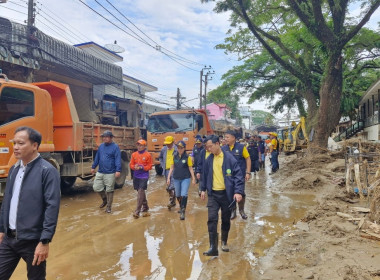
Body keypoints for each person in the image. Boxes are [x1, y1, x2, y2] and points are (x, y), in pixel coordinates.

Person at [0, 126, 61, 279]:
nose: (15, 147)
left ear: (34, 146)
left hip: (33, 242)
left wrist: (45, 241)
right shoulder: (14, 169)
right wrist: (2, 229)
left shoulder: (47, 171)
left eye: (21, 143)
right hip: (9, 240)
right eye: (14, 143)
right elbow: (7, 201)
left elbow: (52, 207)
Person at [200, 135, 244, 256]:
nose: (209, 149)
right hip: (213, 194)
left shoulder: (229, 158)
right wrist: (202, 189)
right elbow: (205, 175)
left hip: (226, 195)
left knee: (225, 219)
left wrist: (238, 191)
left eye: (210, 146)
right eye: (207, 147)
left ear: (217, 144)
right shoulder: (209, 159)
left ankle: (224, 242)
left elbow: (238, 176)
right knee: (212, 219)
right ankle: (213, 247)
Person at [222, 130, 251, 220]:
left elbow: (247, 159)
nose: (225, 139)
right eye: (225, 137)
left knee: (241, 192)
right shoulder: (223, 149)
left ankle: (241, 211)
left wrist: (248, 172)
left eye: (227, 137)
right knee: (229, 193)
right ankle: (233, 210)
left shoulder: (241, 147)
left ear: (233, 138)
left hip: (240, 175)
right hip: (228, 176)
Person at [91, 130, 121, 213]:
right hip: (100, 171)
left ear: (111, 138)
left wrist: (118, 170)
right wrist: (93, 167)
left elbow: (117, 159)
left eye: (106, 137)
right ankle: (104, 200)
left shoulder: (115, 147)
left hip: (110, 172)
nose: (105, 138)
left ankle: (108, 207)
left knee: (109, 190)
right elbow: (97, 157)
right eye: (103, 137)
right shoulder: (101, 146)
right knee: (96, 187)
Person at [167, 141, 196, 220]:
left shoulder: (187, 157)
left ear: (184, 148)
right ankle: (181, 206)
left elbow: (190, 168)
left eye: (181, 148)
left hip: (185, 178)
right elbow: (172, 167)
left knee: (184, 194)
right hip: (176, 178)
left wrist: (193, 178)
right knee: (178, 195)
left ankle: (183, 211)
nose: (179, 149)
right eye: (178, 148)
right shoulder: (174, 156)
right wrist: (168, 177)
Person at [129, 139, 153, 219]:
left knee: (140, 191)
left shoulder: (148, 155)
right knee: (140, 191)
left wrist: (142, 167)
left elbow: (150, 166)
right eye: (138, 145)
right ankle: (145, 206)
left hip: (144, 176)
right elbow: (131, 165)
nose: (139, 147)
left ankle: (137, 211)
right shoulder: (134, 155)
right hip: (136, 176)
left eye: (141, 145)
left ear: (144, 146)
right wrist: (134, 167)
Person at [159, 135, 178, 210]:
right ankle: (173, 201)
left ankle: (171, 201)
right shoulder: (164, 149)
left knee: (172, 186)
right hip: (166, 170)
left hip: (175, 170)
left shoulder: (177, 149)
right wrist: (162, 164)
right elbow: (160, 157)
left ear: (173, 142)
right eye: (167, 144)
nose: (168, 145)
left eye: (169, 143)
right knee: (169, 186)